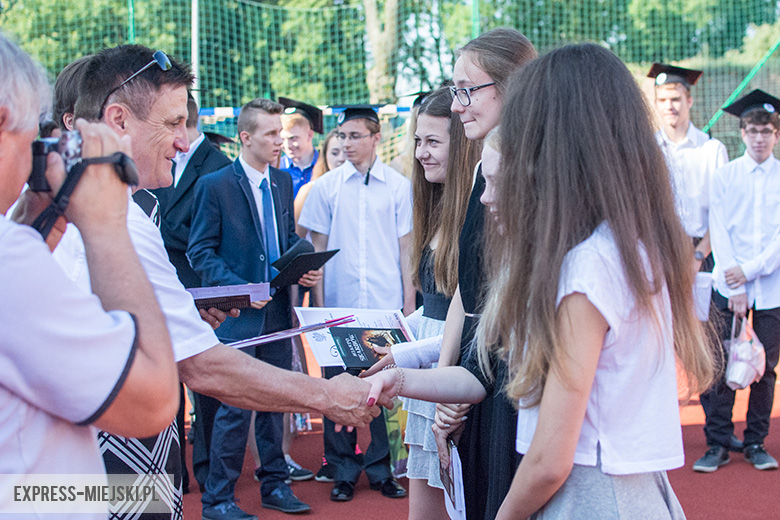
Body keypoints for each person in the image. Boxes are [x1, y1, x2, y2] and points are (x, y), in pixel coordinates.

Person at [366, 42, 718, 519]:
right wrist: (405, 375)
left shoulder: (587, 268)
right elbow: (487, 362)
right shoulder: (620, 246)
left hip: (589, 500)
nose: (488, 196)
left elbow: (549, 461)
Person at [56, 45, 387, 520]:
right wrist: (329, 396)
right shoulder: (118, 220)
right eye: (173, 123)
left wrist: (184, 306)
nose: (184, 142)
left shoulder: (103, 209)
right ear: (118, 120)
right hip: (102, 470)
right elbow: (204, 368)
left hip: (96, 469)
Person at [0, 31, 178, 518]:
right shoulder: (9, 255)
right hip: (40, 496)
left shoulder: (14, 245)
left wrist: (32, 223)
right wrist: (106, 224)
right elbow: (153, 401)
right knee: (153, 502)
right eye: (31, 138)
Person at [188, 97, 324, 518]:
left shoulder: (281, 181)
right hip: (238, 318)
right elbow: (199, 251)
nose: (279, 141)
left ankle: (275, 486)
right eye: (270, 134)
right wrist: (240, 289)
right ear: (245, 138)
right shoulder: (214, 185)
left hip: (278, 313)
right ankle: (217, 500)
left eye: (280, 133)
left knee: (274, 403)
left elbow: (284, 239)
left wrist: (303, 265)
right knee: (235, 409)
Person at [298, 106, 414, 502]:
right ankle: (342, 470)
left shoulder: (398, 186)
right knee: (336, 390)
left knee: (383, 392)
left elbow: (406, 249)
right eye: (342, 136)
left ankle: (382, 470)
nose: (346, 144)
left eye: (355, 136)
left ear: (376, 137)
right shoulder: (326, 187)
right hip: (338, 308)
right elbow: (316, 250)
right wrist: (318, 308)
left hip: (384, 307)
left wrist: (408, 304)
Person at [401, 86, 480, 520]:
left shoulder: (478, 209)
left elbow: (471, 316)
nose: (420, 153)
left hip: (457, 385)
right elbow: (435, 305)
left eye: (432, 142)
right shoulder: (434, 205)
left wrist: (406, 353)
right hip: (429, 377)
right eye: (418, 141)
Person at [149, 92, 232, 492]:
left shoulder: (220, 167)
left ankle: (208, 471)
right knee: (167, 385)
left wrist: (158, 231)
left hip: (200, 290)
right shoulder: (151, 163)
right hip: (160, 283)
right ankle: (175, 469)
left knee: (206, 388)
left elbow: (212, 234)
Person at [694, 89, 780, 473]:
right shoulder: (725, 176)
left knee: (765, 368)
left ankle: (756, 441)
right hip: (728, 288)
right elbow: (719, 229)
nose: (759, 138)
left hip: (772, 287)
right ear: (742, 133)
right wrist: (736, 284)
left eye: (766, 131)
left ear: (776, 135)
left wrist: (751, 270)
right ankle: (717, 443)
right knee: (720, 364)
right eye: (753, 131)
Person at [648, 63, 728, 271]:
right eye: (662, 100)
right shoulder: (648, 151)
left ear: (689, 101)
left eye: (675, 99)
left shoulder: (712, 150)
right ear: (656, 104)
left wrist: (699, 256)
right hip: (660, 254)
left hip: (703, 255)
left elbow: (722, 212)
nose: (669, 106)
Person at [279, 97, 323, 197]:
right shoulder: (278, 169)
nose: (287, 145)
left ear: (309, 135)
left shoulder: (324, 164)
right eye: (282, 139)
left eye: (293, 138)